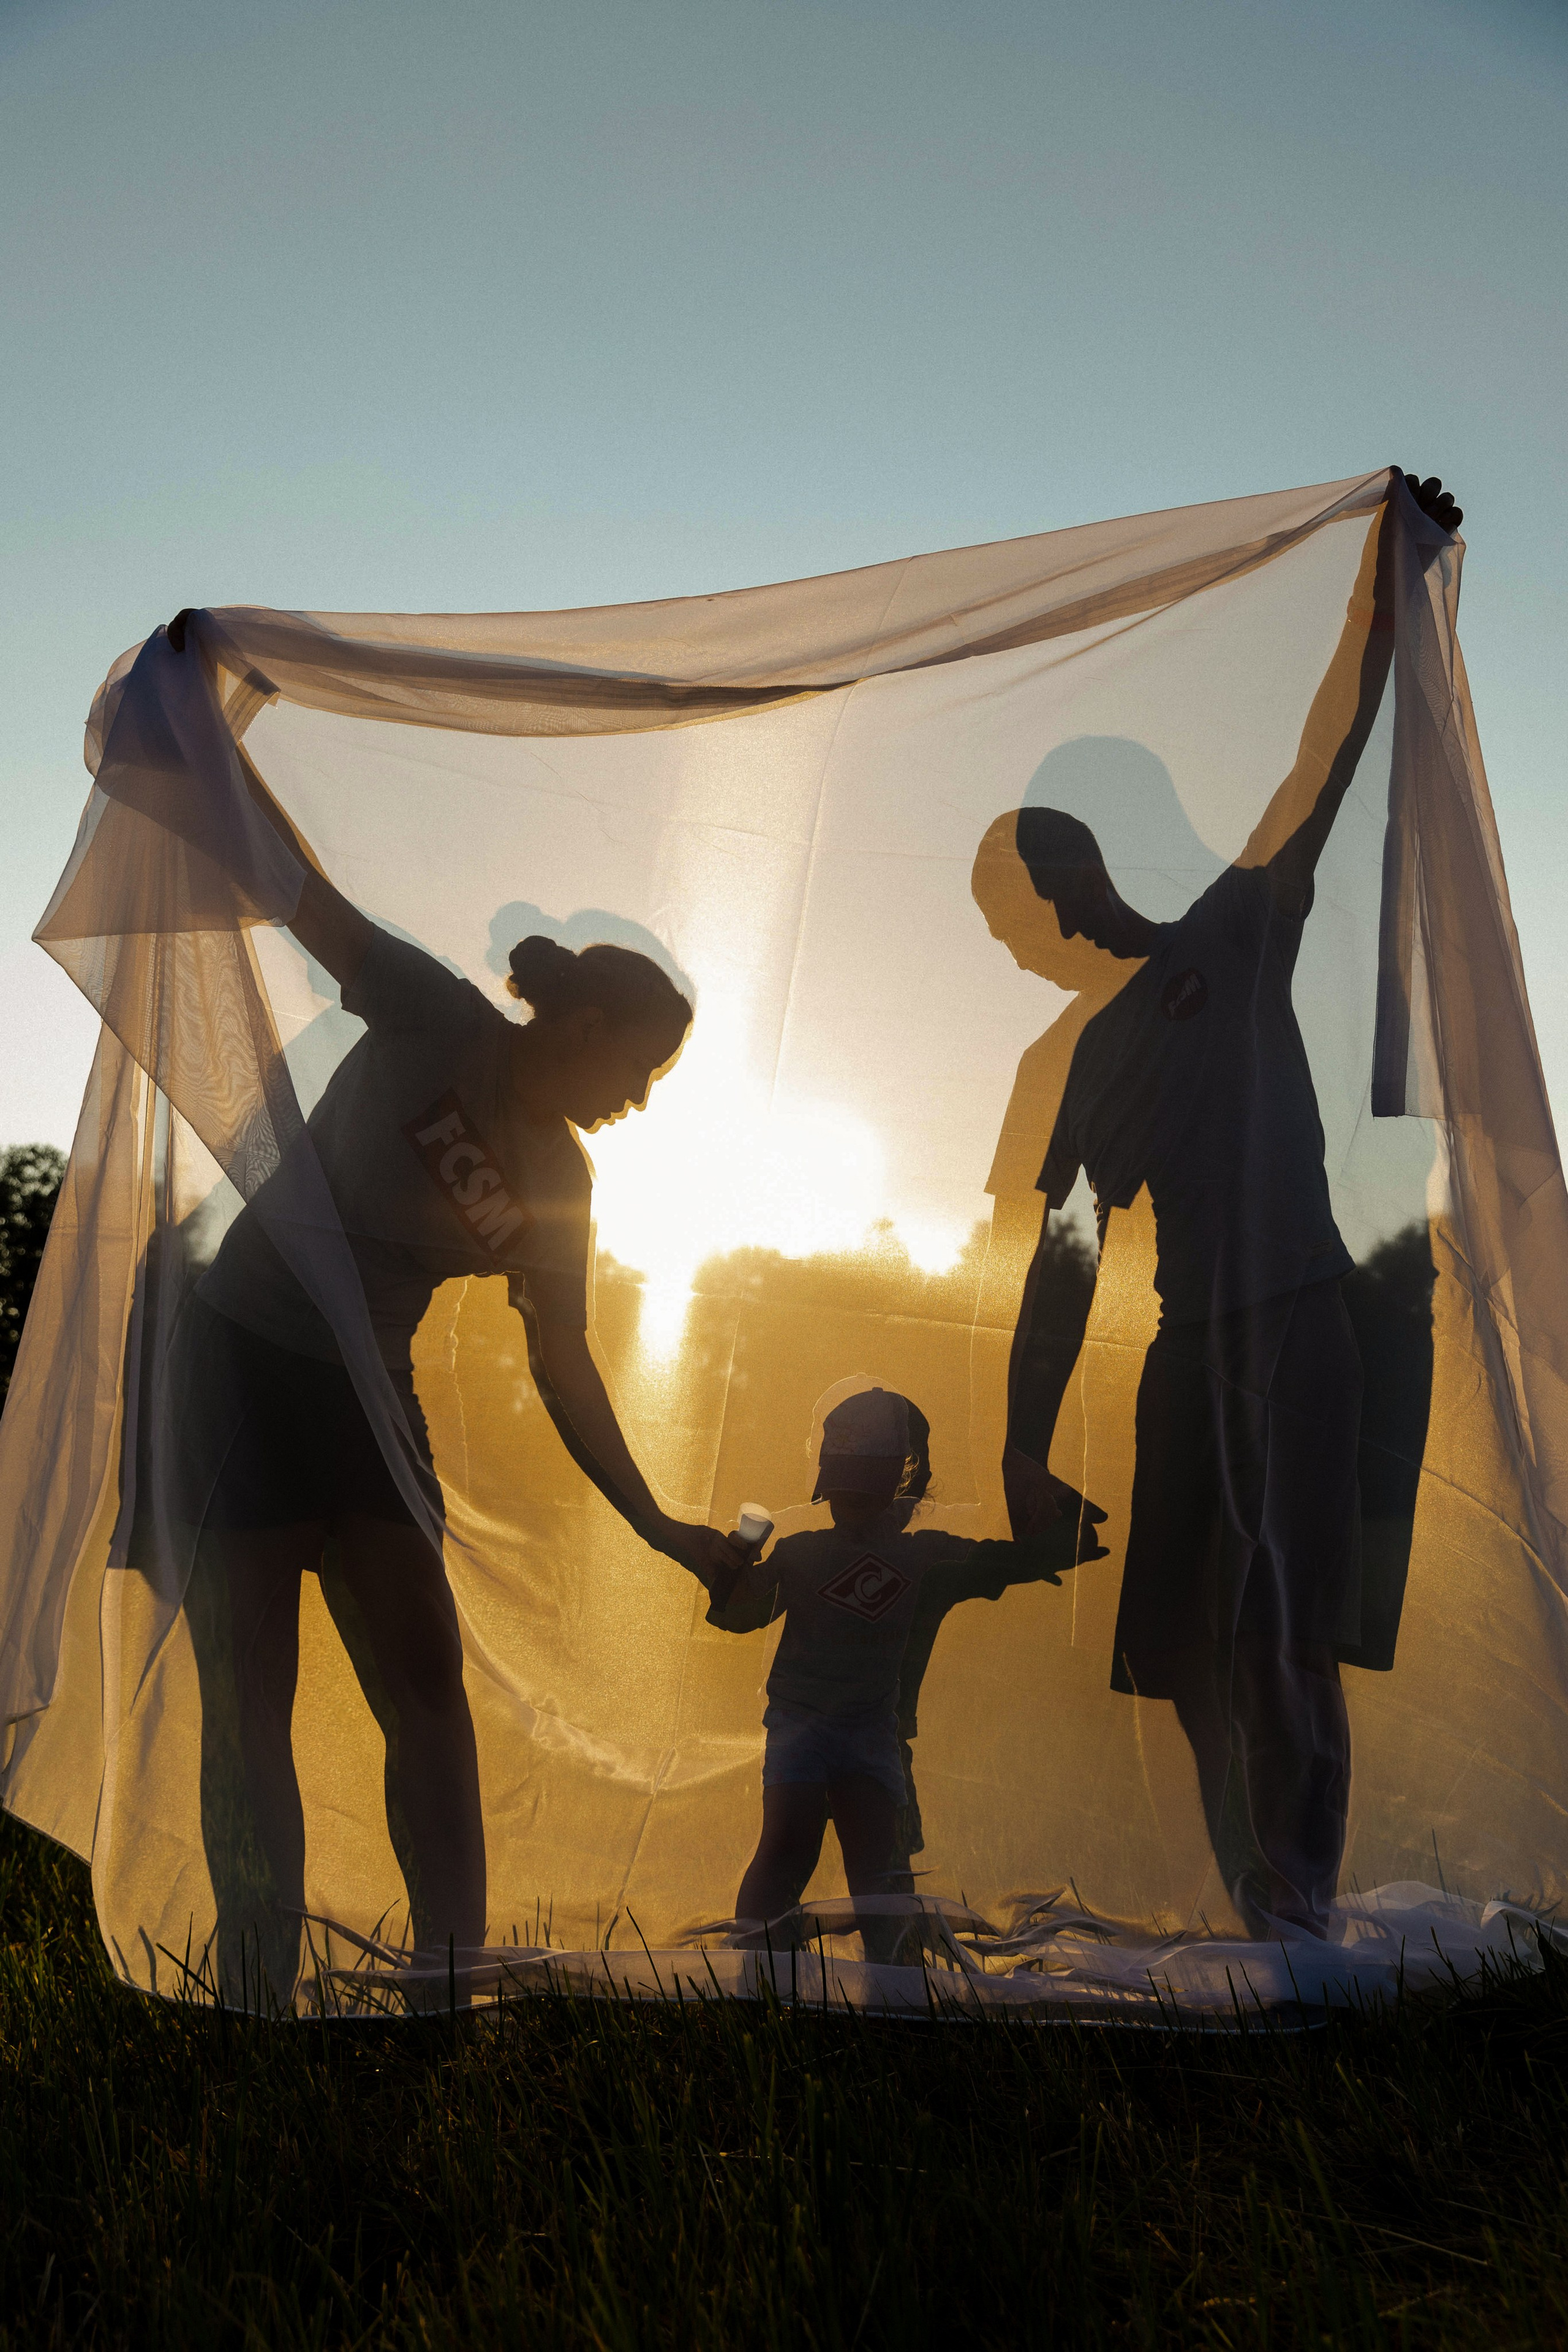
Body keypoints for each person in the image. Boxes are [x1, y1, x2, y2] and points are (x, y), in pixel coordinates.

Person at [159, 622, 742, 1970]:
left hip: (368, 1398)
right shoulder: (430, 1015)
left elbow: (567, 1369)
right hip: (238, 1361)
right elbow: (289, 886)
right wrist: (201, 733)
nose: (635, 1099)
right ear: (579, 1022)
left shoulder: (562, 1181)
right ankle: (257, 1993)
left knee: (425, 1689)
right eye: (636, 1065)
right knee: (246, 1694)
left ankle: (447, 1987)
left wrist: (663, 1527)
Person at [971, 472, 1462, 1938]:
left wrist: (1384, 584)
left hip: (1293, 1327)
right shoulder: (1086, 1059)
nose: (1031, 941)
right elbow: (1063, 1257)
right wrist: (1014, 1442)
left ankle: (1297, 1915)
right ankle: (1267, 1913)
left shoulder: (1233, 933)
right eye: (1013, 924)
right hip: (1184, 1355)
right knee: (1187, 1653)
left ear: (1087, 866)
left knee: (1280, 1635)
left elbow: (1323, 760)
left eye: (1030, 906)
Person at [701, 1385, 1082, 1945]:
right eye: (846, 1495)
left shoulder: (901, 1556)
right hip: (826, 1729)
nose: (847, 1508)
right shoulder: (889, 1555)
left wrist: (1048, 1544)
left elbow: (737, 1615)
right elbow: (738, 1614)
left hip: (846, 1731)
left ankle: (834, 1980)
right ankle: (802, 1977)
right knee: (838, 1862)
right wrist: (734, 1565)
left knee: (854, 1864)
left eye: (852, 1493)